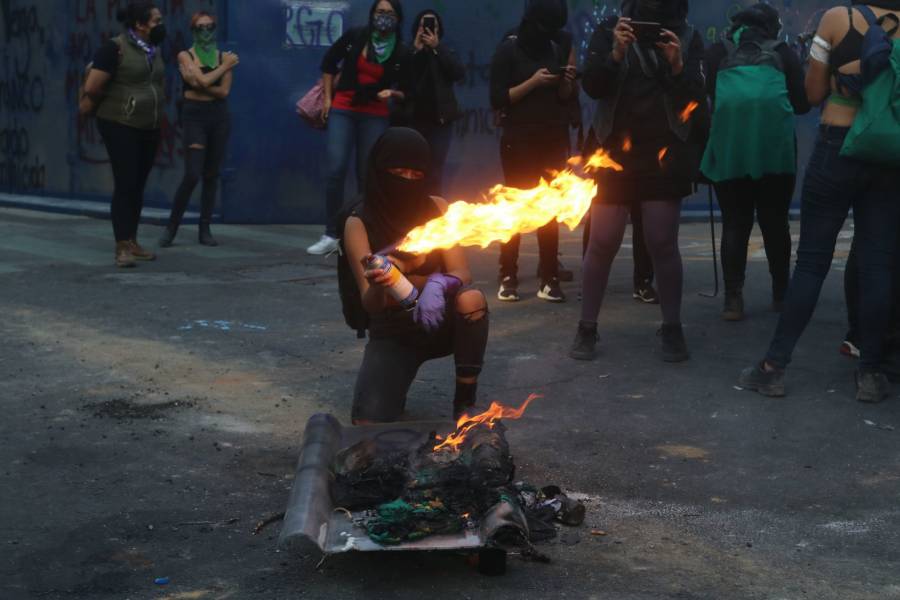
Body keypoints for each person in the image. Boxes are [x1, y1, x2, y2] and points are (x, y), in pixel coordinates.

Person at [738, 1, 900, 402]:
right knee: (878, 264)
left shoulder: (837, 19)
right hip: (887, 156)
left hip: (836, 145)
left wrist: (842, 81)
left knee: (812, 263)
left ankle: (774, 367)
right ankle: (870, 373)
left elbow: (810, 95)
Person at [570, 0, 705, 362]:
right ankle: (586, 328)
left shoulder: (687, 36)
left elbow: (695, 97)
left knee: (662, 242)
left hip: (663, 155)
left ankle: (672, 328)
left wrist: (676, 65)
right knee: (601, 241)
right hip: (613, 151)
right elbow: (594, 87)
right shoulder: (612, 29)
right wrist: (615, 53)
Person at [343, 128, 489, 423]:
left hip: (440, 322)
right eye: (398, 172)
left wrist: (433, 281)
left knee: (472, 300)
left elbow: (462, 272)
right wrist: (379, 285)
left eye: (416, 174)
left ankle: (465, 401)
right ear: (379, 170)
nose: (407, 181)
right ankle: (394, 386)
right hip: (393, 331)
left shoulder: (438, 208)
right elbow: (370, 304)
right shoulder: (358, 222)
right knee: (368, 423)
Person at [703, 3, 811, 321]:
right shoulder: (783, 52)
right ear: (771, 27)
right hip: (774, 152)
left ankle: (733, 300)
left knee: (735, 222)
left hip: (730, 149)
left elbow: (709, 95)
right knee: (775, 222)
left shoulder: (715, 52)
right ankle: (781, 295)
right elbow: (802, 105)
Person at [489, 0, 578, 303]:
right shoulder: (510, 46)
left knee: (548, 210)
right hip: (518, 139)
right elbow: (498, 98)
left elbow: (567, 97)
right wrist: (534, 82)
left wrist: (565, 82)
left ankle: (549, 277)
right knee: (514, 208)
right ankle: (508, 274)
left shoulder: (562, 43)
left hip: (553, 137)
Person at [309, 0, 410, 256]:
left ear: (397, 18)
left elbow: (410, 88)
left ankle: (364, 233)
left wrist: (394, 92)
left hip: (375, 113)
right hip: (344, 107)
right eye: (379, 12)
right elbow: (328, 63)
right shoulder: (356, 36)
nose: (383, 17)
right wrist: (329, 100)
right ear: (372, 14)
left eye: (389, 13)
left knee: (368, 175)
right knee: (336, 169)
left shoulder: (401, 50)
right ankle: (331, 233)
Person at [79, 1, 166, 268]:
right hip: (119, 124)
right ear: (139, 24)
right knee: (126, 183)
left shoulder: (153, 49)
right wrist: (123, 102)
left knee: (138, 184)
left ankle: (133, 240)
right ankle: (121, 247)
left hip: (148, 126)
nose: (160, 26)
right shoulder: (114, 48)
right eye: (156, 21)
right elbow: (93, 86)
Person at [159, 11, 238, 248]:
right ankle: (172, 227)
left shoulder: (223, 56)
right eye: (200, 27)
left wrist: (200, 81)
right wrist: (222, 68)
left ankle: (205, 228)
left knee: (211, 174)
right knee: (193, 173)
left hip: (219, 116)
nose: (206, 32)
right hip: (194, 115)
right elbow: (202, 83)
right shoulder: (186, 55)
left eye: (209, 26)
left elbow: (222, 91)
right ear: (193, 30)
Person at [400, 10, 465, 196]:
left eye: (432, 25)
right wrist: (415, 52)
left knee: (435, 171)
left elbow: (458, 74)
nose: (427, 29)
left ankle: (432, 218)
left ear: (438, 30)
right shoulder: (407, 52)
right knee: (412, 170)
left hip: (440, 123)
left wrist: (437, 49)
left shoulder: (445, 51)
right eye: (424, 25)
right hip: (413, 122)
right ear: (416, 29)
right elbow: (403, 80)